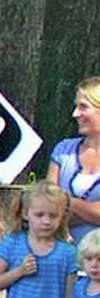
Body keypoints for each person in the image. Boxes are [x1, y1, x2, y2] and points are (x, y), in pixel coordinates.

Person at [47, 76, 100, 244]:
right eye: (76, 106)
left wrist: (65, 201)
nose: (75, 114)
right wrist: (90, 213)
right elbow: (46, 207)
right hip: (62, 259)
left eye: (83, 107)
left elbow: (55, 206)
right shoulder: (63, 151)